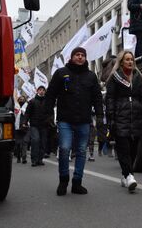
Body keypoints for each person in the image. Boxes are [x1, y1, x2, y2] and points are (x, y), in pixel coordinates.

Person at [44, 47, 104, 196]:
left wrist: (100, 116)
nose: (80, 57)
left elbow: (97, 97)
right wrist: (49, 114)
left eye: (83, 55)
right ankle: (63, 180)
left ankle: (77, 182)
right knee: (64, 149)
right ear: (71, 57)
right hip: (65, 120)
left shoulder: (91, 76)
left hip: (84, 120)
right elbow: (50, 95)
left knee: (81, 151)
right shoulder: (61, 73)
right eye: (77, 55)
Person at [105, 50, 142, 192]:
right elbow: (110, 98)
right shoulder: (115, 77)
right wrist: (111, 117)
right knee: (124, 149)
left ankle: (125, 175)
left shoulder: (139, 77)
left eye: (131, 59)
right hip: (121, 116)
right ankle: (129, 176)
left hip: (136, 117)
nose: (130, 62)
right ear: (121, 62)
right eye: (127, 59)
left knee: (134, 149)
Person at [24, 86, 51, 167]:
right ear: (37, 91)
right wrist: (24, 122)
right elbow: (27, 113)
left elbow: (50, 112)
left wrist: (49, 121)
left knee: (43, 142)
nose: (42, 91)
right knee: (35, 140)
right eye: (40, 90)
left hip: (44, 125)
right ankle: (34, 160)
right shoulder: (32, 101)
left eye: (43, 90)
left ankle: (40, 159)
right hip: (34, 125)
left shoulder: (47, 101)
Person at [13, 96, 29, 164]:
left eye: (23, 99)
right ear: (18, 100)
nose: (21, 100)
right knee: (18, 144)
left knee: (25, 142)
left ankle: (24, 158)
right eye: (20, 99)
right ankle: (19, 157)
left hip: (25, 126)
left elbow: (28, 115)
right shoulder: (15, 107)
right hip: (17, 127)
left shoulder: (27, 107)